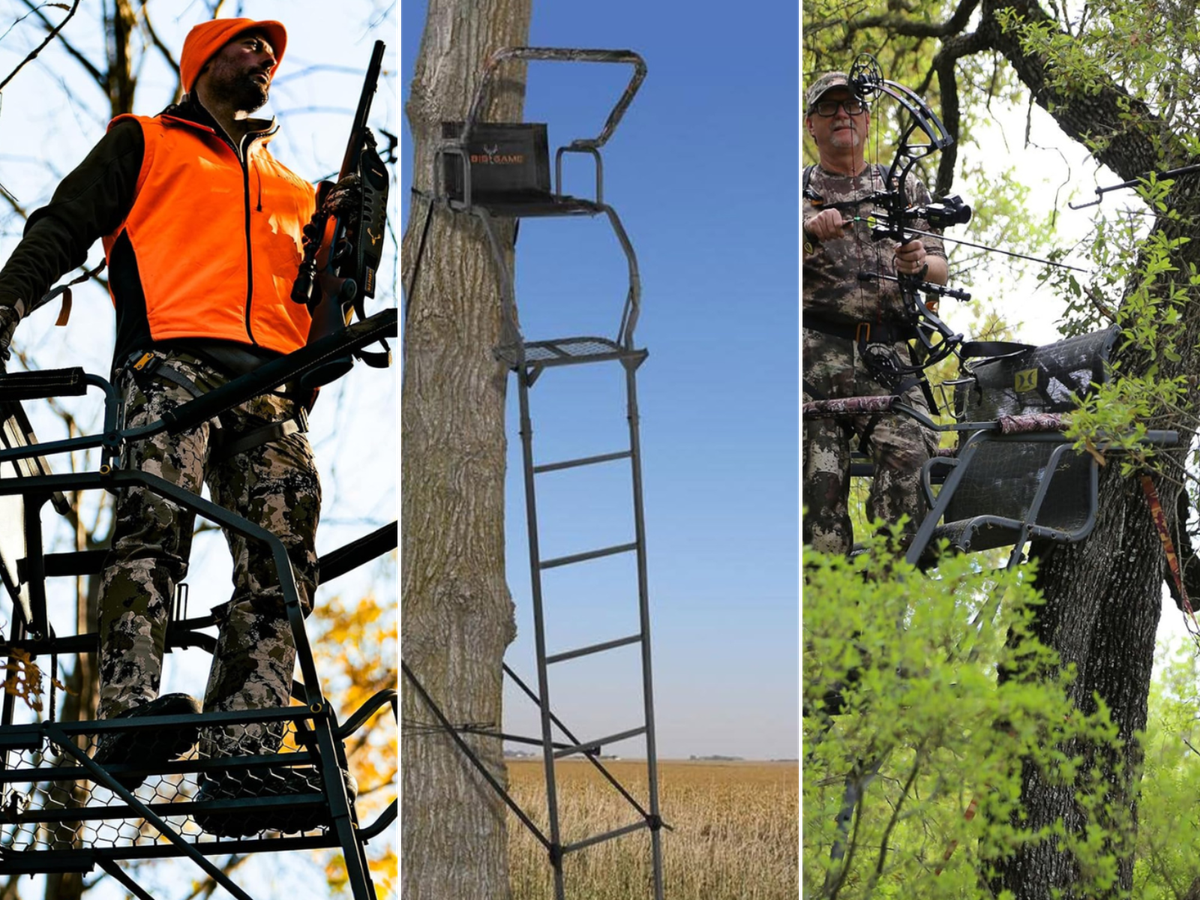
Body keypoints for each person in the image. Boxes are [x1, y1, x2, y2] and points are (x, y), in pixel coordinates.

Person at [0, 18, 353, 834]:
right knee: (154, 526)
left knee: (284, 563)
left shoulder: (298, 193)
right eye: (248, 44)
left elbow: (322, 316)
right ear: (201, 61)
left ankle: (242, 760)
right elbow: (59, 227)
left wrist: (340, 239)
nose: (265, 55)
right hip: (170, 366)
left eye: (272, 52)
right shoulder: (146, 141)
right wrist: (5, 308)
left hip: (271, 391)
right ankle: (127, 714)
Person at [801, 72, 948, 558]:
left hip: (885, 358)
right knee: (817, 511)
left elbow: (939, 266)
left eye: (851, 107)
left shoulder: (901, 185)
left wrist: (917, 263)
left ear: (866, 119)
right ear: (811, 127)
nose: (842, 115)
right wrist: (809, 233)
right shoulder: (796, 192)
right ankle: (828, 624)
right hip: (811, 369)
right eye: (829, 108)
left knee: (916, 463)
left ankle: (886, 612)